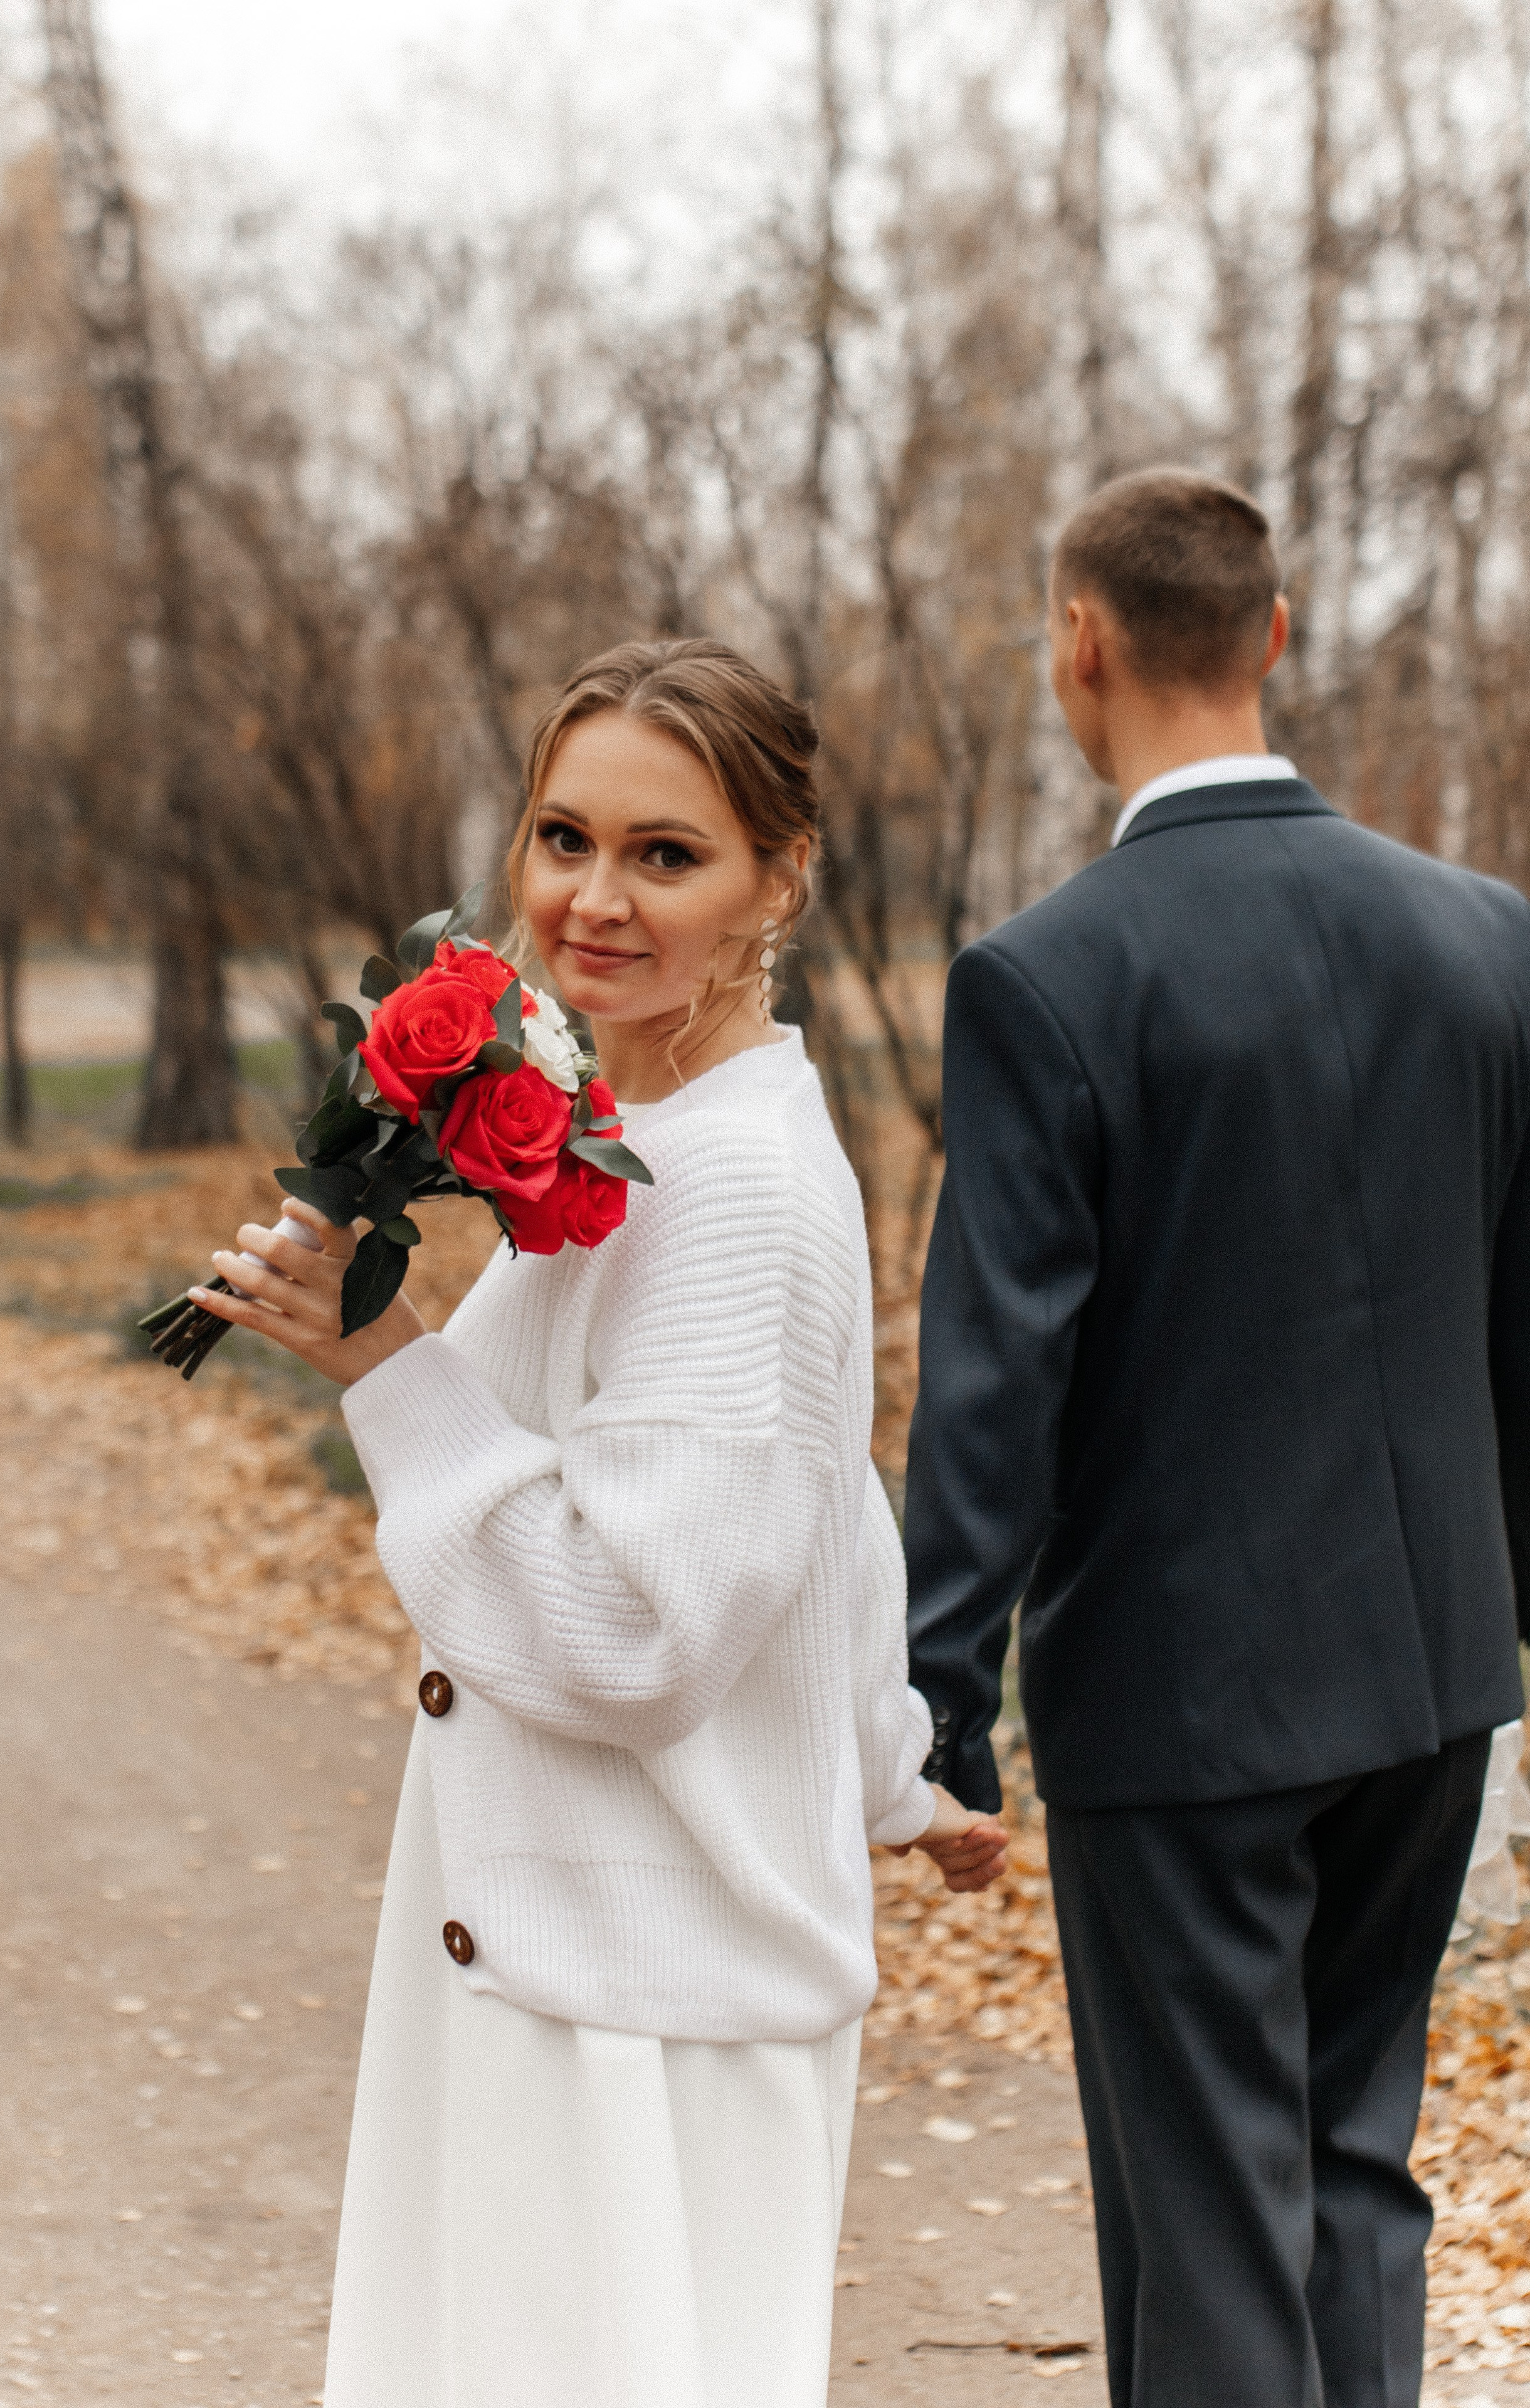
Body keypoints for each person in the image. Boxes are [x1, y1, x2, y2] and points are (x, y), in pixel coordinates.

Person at [188, 636, 1006, 2408]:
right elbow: (817, 1513)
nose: (594, 898)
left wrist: (383, 1362)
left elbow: (637, 1630)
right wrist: (891, 1774)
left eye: (666, 854)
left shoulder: (732, 1189)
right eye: (566, 838)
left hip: (638, 2000)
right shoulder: (655, 1134)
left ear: (778, 878)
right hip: (579, 1947)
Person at [904, 469, 1530, 2407]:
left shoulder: (1048, 976)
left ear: (1078, 644)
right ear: (1274, 631)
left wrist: (939, 1700)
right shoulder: (1491, 938)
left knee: (1210, 2211)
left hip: (1182, 1706)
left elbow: (998, 1376)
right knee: (1352, 2172)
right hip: (1434, 1678)